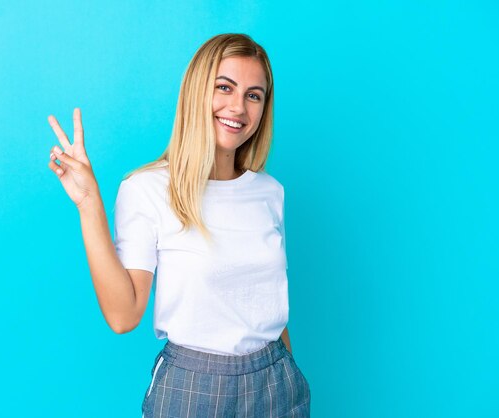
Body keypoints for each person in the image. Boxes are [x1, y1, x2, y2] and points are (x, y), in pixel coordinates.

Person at [47, 33, 311, 417]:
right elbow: (124, 316)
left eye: (254, 95)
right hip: (193, 387)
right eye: (225, 87)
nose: (237, 107)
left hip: (277, 383)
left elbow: (268, 304)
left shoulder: (270, 192)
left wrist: (285, 372)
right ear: (196, 91)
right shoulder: (147, 189)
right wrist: (89, 204)